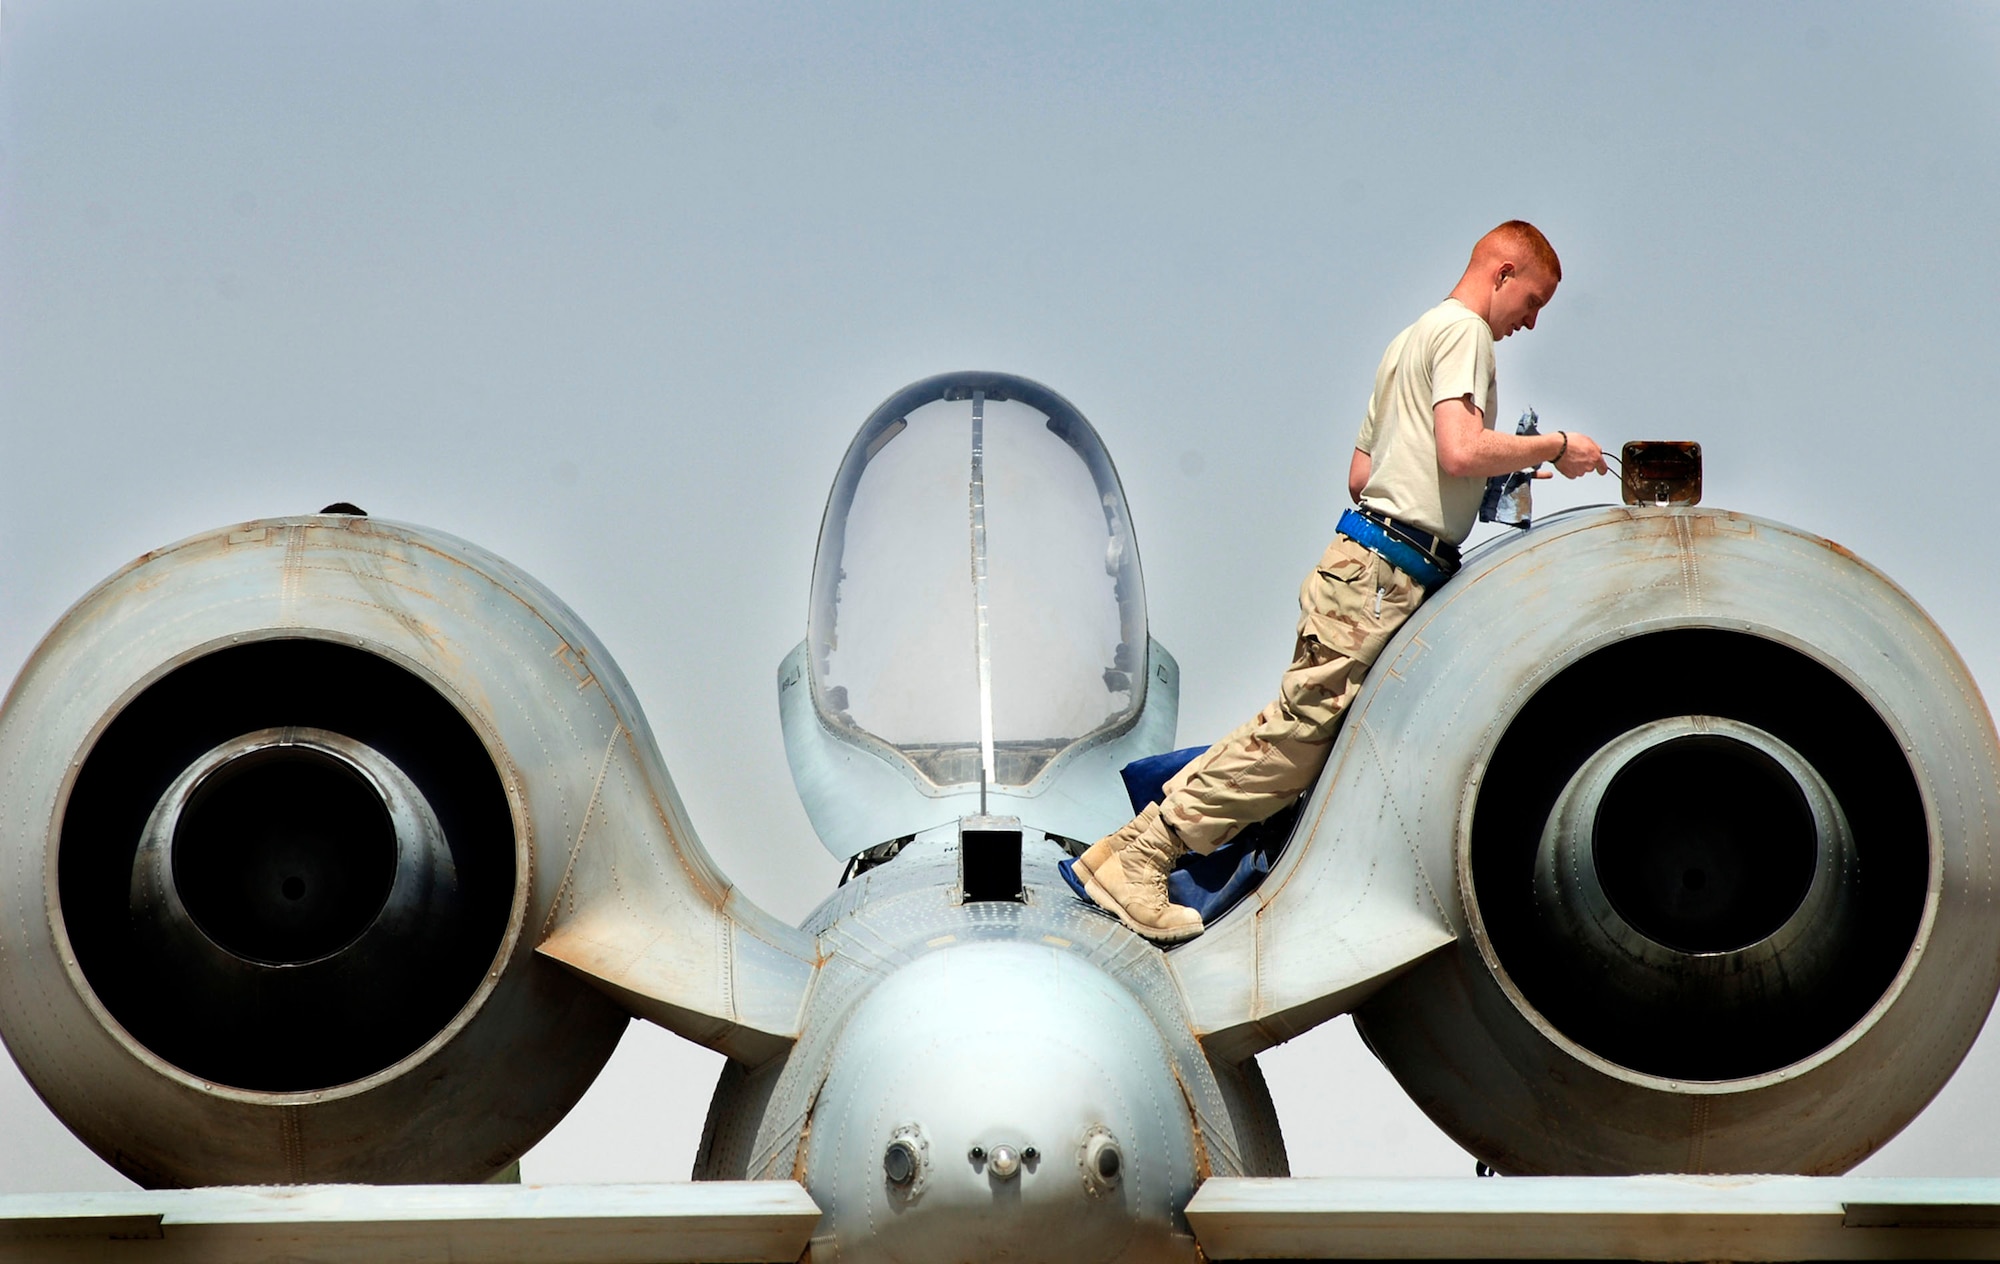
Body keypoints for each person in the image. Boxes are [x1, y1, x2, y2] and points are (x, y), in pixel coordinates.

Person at [1074, 220, 1609, 942]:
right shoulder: (1464, 335)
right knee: (1298, 736)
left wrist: (1474, 479)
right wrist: (1556, 446)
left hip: (1373, 562)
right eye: (1534, 300)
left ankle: (1134, 849)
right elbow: (1459, 448)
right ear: (1503, 273)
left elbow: (1366, 473)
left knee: (1301, 733)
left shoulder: (1408, 340)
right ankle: (1142, 854)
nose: (1531, 321)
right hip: (1385, 572)